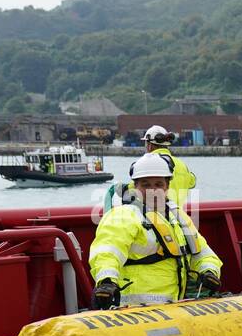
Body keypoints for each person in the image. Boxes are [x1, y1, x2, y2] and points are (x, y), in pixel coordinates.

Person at [89, 153, 222, 309]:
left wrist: (209, 271)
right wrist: (106, 281)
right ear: (135, 187)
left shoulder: (176, 217)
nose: (153, 190)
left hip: (172, 307)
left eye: (158, 184)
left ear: (167, 187)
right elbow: (107, 251)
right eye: (146, 185)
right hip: (132, 311)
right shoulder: (124, 215)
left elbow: (203, 253)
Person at [142, 125, 198, 208]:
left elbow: (137, 186)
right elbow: (192, 182)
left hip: (157, 216)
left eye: (146, 144)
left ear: (149, 145)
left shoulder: (148, 162)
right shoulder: (182, 164)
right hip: (178, 216)